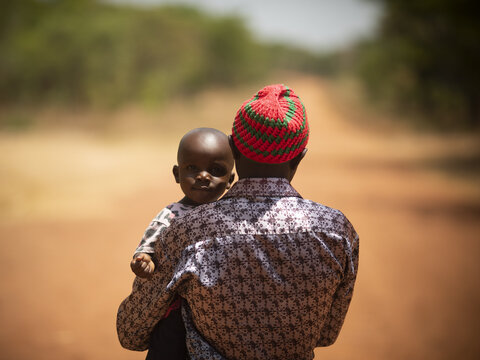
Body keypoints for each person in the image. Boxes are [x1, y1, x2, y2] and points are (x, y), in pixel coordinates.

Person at [117, 84, 359, 360]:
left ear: (233, 148)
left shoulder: (186, 230)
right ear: (299, 157)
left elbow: (131, 332)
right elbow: (325, 336)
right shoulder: (336, 231)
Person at [129, 127, 235, 360]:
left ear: (230, 180)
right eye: (192, 168)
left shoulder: (230, 216)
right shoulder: (172, 214)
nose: (203, 176)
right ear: (177, 174)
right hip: (175, 314)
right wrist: (144, 263)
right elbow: (146, 249)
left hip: (216, 313)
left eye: (216, 170)